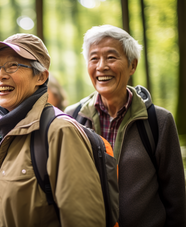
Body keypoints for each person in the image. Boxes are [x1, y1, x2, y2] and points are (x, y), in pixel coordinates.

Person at [0, 33, 105, 227]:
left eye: (12, 65)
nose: (0, 75)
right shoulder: (1, 132)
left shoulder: (60, 132)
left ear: (41, 76)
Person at [65, 25, 186, 227]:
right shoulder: (72, 117)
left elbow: (176, 200)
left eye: (111, 57)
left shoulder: (159, 121)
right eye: (94, 58)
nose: (101, 66)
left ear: (132, 66)